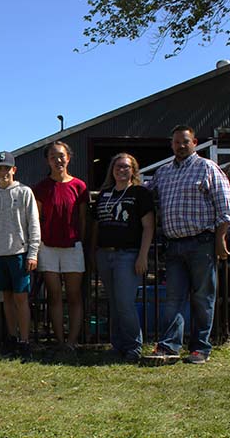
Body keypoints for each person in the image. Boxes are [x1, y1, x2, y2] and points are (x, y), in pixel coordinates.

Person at [145, 125, 230, 364]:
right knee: (173, 298)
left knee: (203, 297)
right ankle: (169, 346)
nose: (181, 146)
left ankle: (200, 348)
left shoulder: (207, 168)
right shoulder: (163, 173)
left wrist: (220, 239)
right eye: (176, 142)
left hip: (201, 242)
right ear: (171, 144)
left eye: (185, 141)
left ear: (195, 142)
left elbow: (226, 209)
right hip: (173, 245)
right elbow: (144, 195)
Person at [92, 153, 154, 363]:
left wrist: (143, 256)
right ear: (112, 169)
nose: (121, 170)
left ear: (133, 170)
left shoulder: (139, 193)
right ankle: (118, 346)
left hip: (128, 255)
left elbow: (148, 227)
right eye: (118, 166)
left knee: (125, 303)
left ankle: (134, 347)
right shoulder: (104, 194)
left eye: (126, 167)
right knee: (114, 302)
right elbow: (95, 225)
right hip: (104, 254)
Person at [0, 151, 40, 362]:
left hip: (20, 254)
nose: (3, 172)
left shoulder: (25, 193)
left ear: (14, 170)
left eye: (7, 168)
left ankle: (25, 341)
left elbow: (34, 225)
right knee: (6, 298)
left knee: (21, 298)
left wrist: (33, 253)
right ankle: (12, 339)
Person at [32, 141, 89, 355]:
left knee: (74, 295)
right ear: (48, 161)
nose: (58, 160)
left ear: (69, 158)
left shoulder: (79, 186)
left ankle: (72, 342)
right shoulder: (41, 188)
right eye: (53, 157)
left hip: (73, 246)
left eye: (61, 156)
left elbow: (83, 219)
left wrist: (82, 243)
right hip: (47, 247)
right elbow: (35, 219)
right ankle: (60, 341)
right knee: (54, 296)